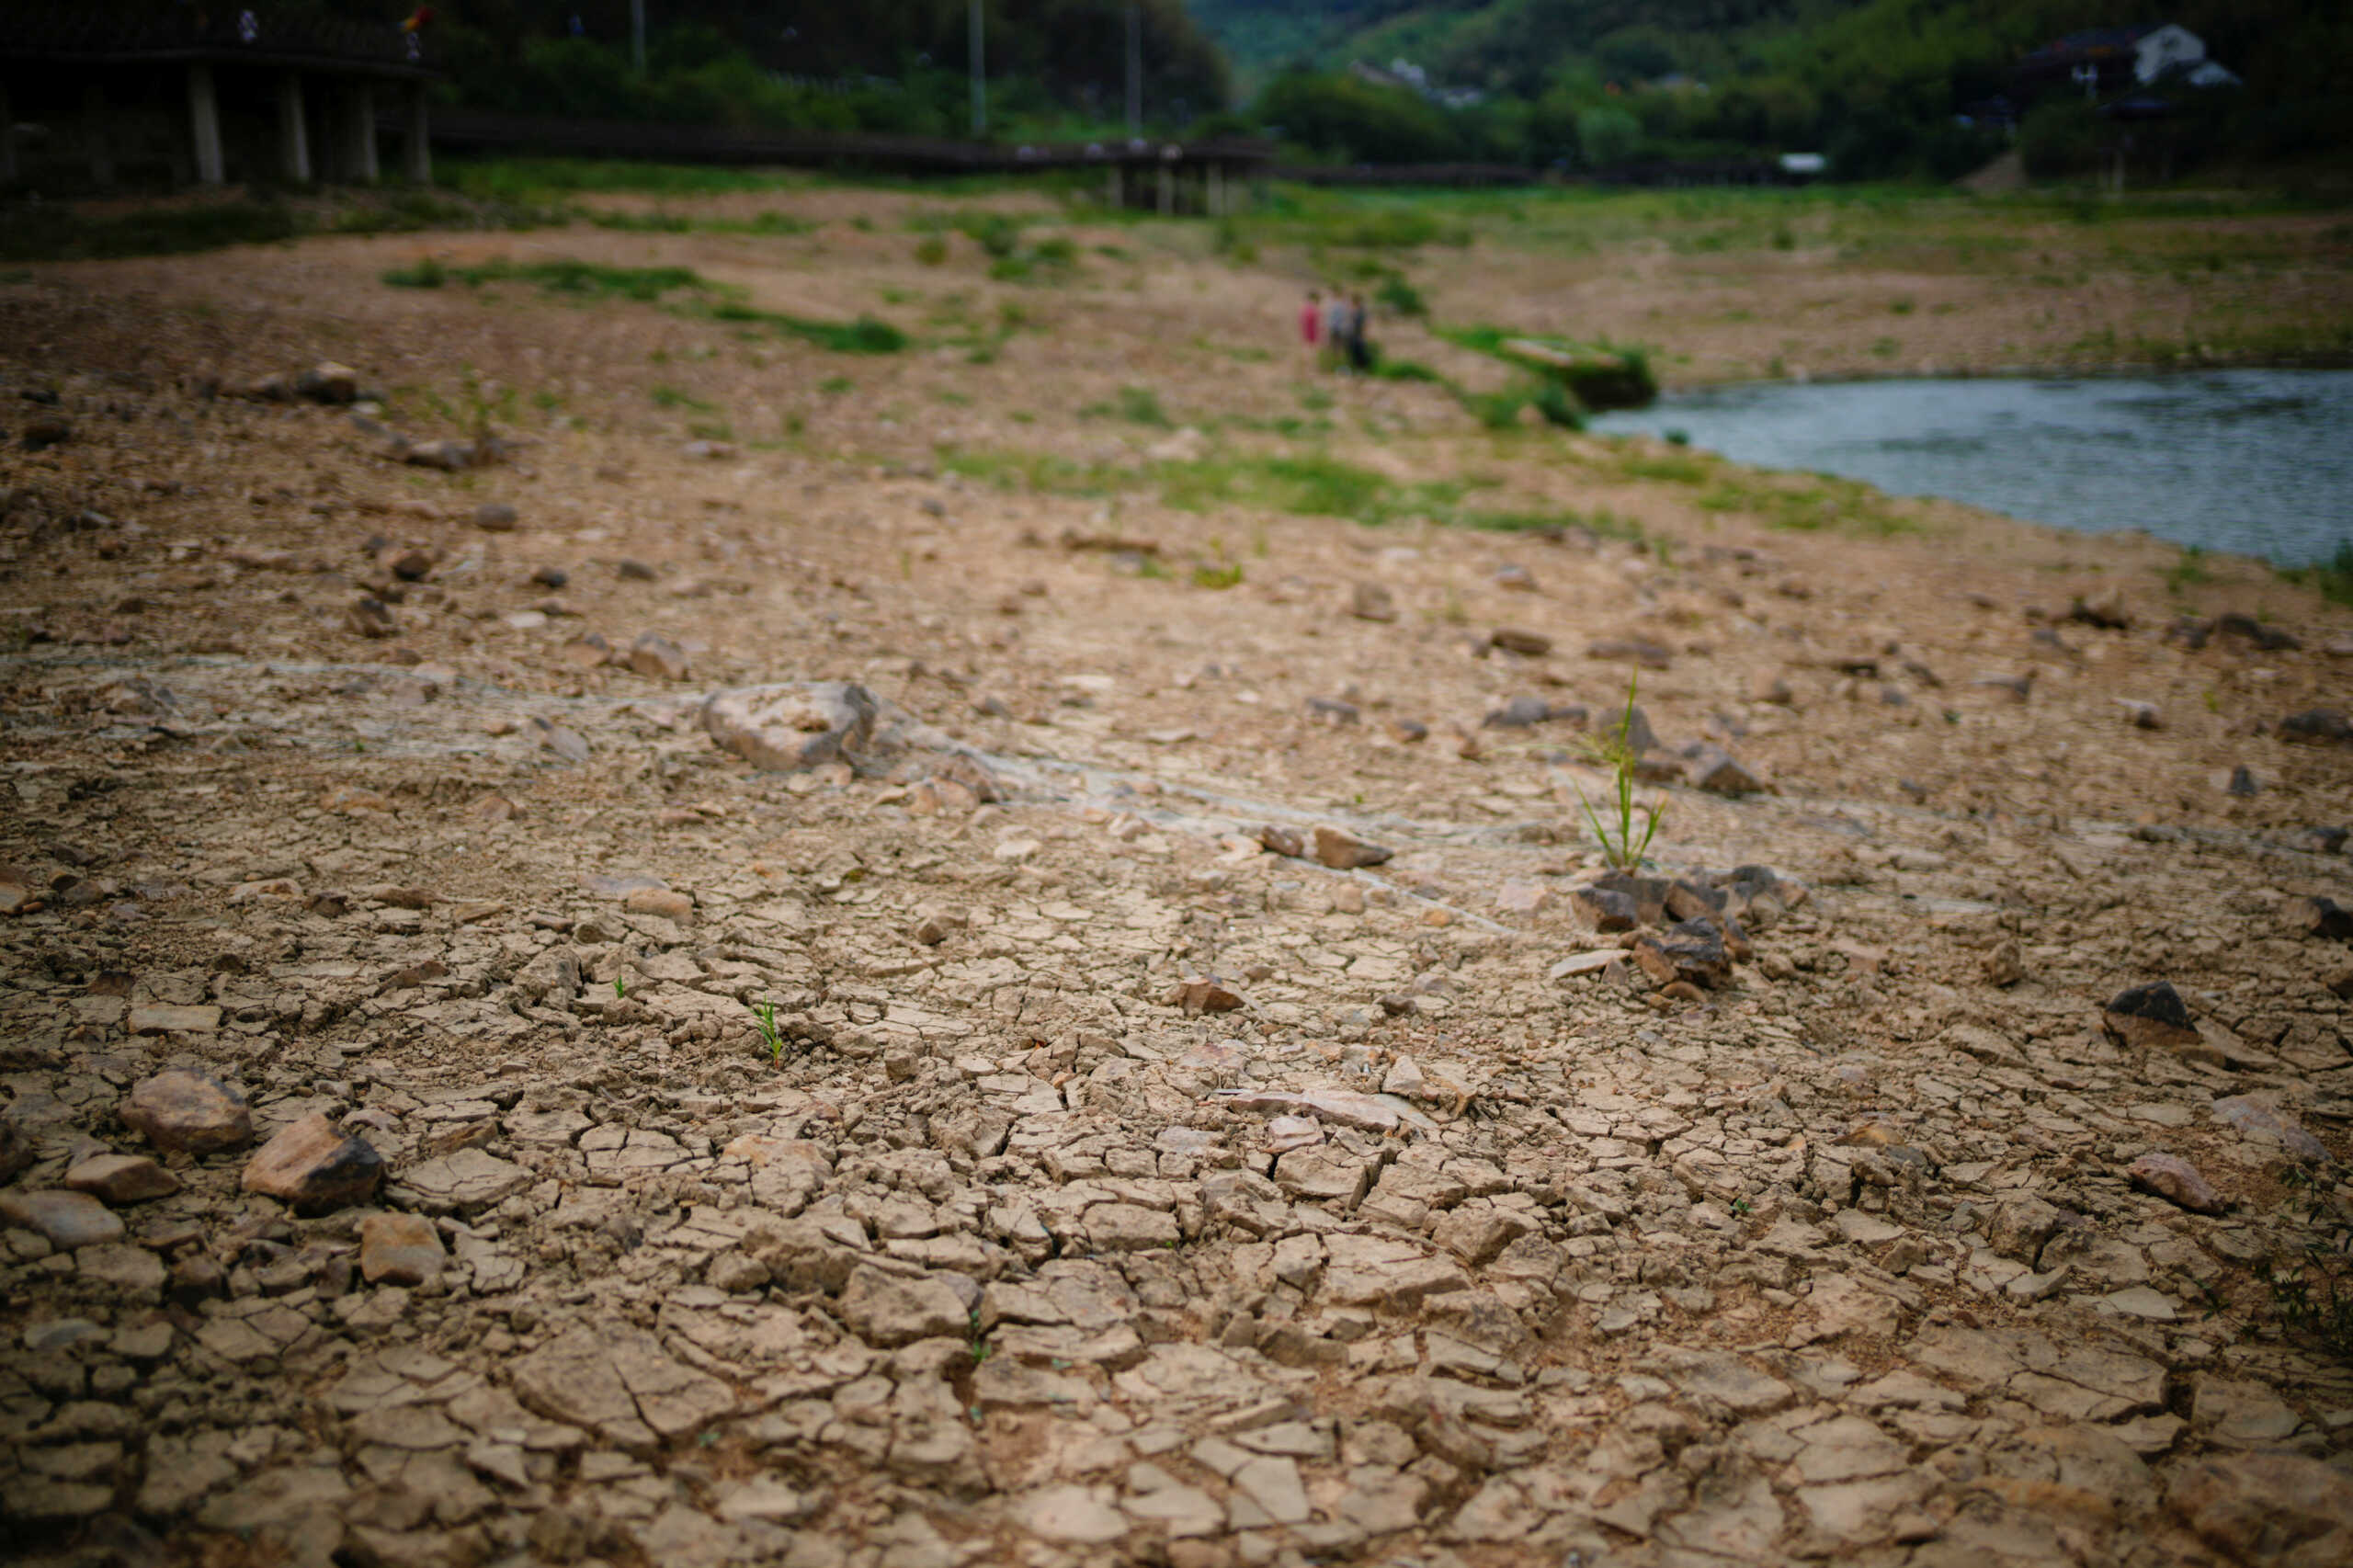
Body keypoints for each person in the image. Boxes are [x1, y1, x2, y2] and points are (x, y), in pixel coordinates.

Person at [1346, 292, 1372, 373]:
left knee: (1360, 351)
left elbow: (1365, 323)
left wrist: (1365, 334)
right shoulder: (1353, 311)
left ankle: (1362, 369)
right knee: (1352, 351)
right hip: (1352, 334)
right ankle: (1355, 368)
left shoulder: (1361, 311)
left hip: (1358, 334)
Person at [1324, 293, 1351, 372]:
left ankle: (1332, 366)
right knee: (1339, 349)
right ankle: (1338, 366)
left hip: (1334, 329)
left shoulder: (1333, 306)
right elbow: (1345, 320)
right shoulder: (1342, 307)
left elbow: (1330, 320)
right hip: (1339, 330)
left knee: (1333, 348)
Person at [1299, 290, 1323, 364]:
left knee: (1308, 346)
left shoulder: (1306, 306)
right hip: (1311, 329)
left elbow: (1302, 318)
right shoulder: (1313, 308)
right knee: (1310, 347)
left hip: (1308, 329)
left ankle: (1306, 361)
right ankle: (1309, 362)